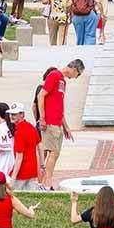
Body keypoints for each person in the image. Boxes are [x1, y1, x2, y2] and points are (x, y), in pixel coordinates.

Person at [36, 60, 85, 189]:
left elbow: (59, 105)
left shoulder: (62, 82)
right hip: (50, 122)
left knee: (53, 153)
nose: (76, 77)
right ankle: (46, 183)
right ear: (74, 69)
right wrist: (42, 118)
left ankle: (44, 182)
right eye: (78, 74)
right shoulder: (54, 75)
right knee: (52, 152)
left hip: (57, 122)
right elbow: (41, 96)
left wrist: (66, 126)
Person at [8, 103, 42, 191]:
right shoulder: (31, 127)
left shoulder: (18, 133)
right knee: (30, 198)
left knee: (16, 198)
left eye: (15, 114)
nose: (12, 116)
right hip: (32, 170)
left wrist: (13, 177)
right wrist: (42, 165)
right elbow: (39, 146)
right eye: (11, 114)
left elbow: (19, 157)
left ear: (22, 114)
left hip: (21, 172)